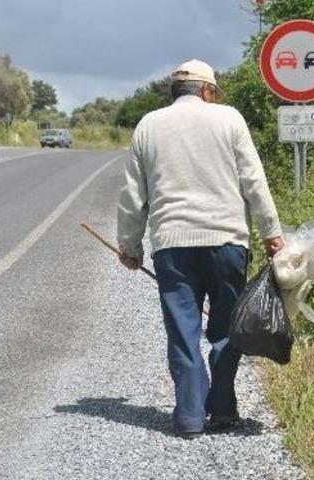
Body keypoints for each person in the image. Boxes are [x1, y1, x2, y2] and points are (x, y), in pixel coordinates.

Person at [116, 59, 284, 439]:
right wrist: (271, 232)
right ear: (207, 91)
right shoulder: (229, 119)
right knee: (225, 329)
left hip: (173, 247)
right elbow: (253, 181)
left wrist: (129, 245)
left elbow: (132, 195)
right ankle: (223, 410)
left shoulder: (149, 125)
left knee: (182, 331)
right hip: (227, 243)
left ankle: (190, 417)